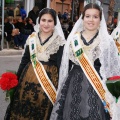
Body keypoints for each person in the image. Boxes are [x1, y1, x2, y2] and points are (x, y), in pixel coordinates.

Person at [50, 3, 120, 120]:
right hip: (74, 86)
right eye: (87, 16)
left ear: (100, 19)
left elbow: (113, 71)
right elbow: (65, 67)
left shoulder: (107, 41)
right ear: (82, 19)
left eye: (95, 17)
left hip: (98, 90)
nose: (91, 20)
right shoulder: (73, 39)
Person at [4, 8, 65, 120]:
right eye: (43, 20)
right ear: (39, 21)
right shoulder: (32, 38)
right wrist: (15, 80)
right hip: (27, 82)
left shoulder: (59, 41)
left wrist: (61, 90)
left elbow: (61, 67)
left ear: (55, 23)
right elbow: (25, 60)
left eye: (50, 21)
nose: (46, 24)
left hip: (48, 85)